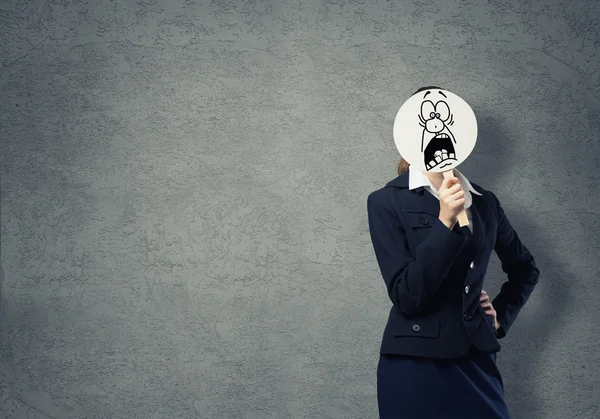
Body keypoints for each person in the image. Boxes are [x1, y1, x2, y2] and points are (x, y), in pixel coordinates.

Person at [367, 86, 540, 419]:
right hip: (414, 364)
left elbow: (525, 269)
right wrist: (445, 221)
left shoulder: (486, 203)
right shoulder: (386, 201)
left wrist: (499, 317)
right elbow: (406, 295)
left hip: (475, 357)